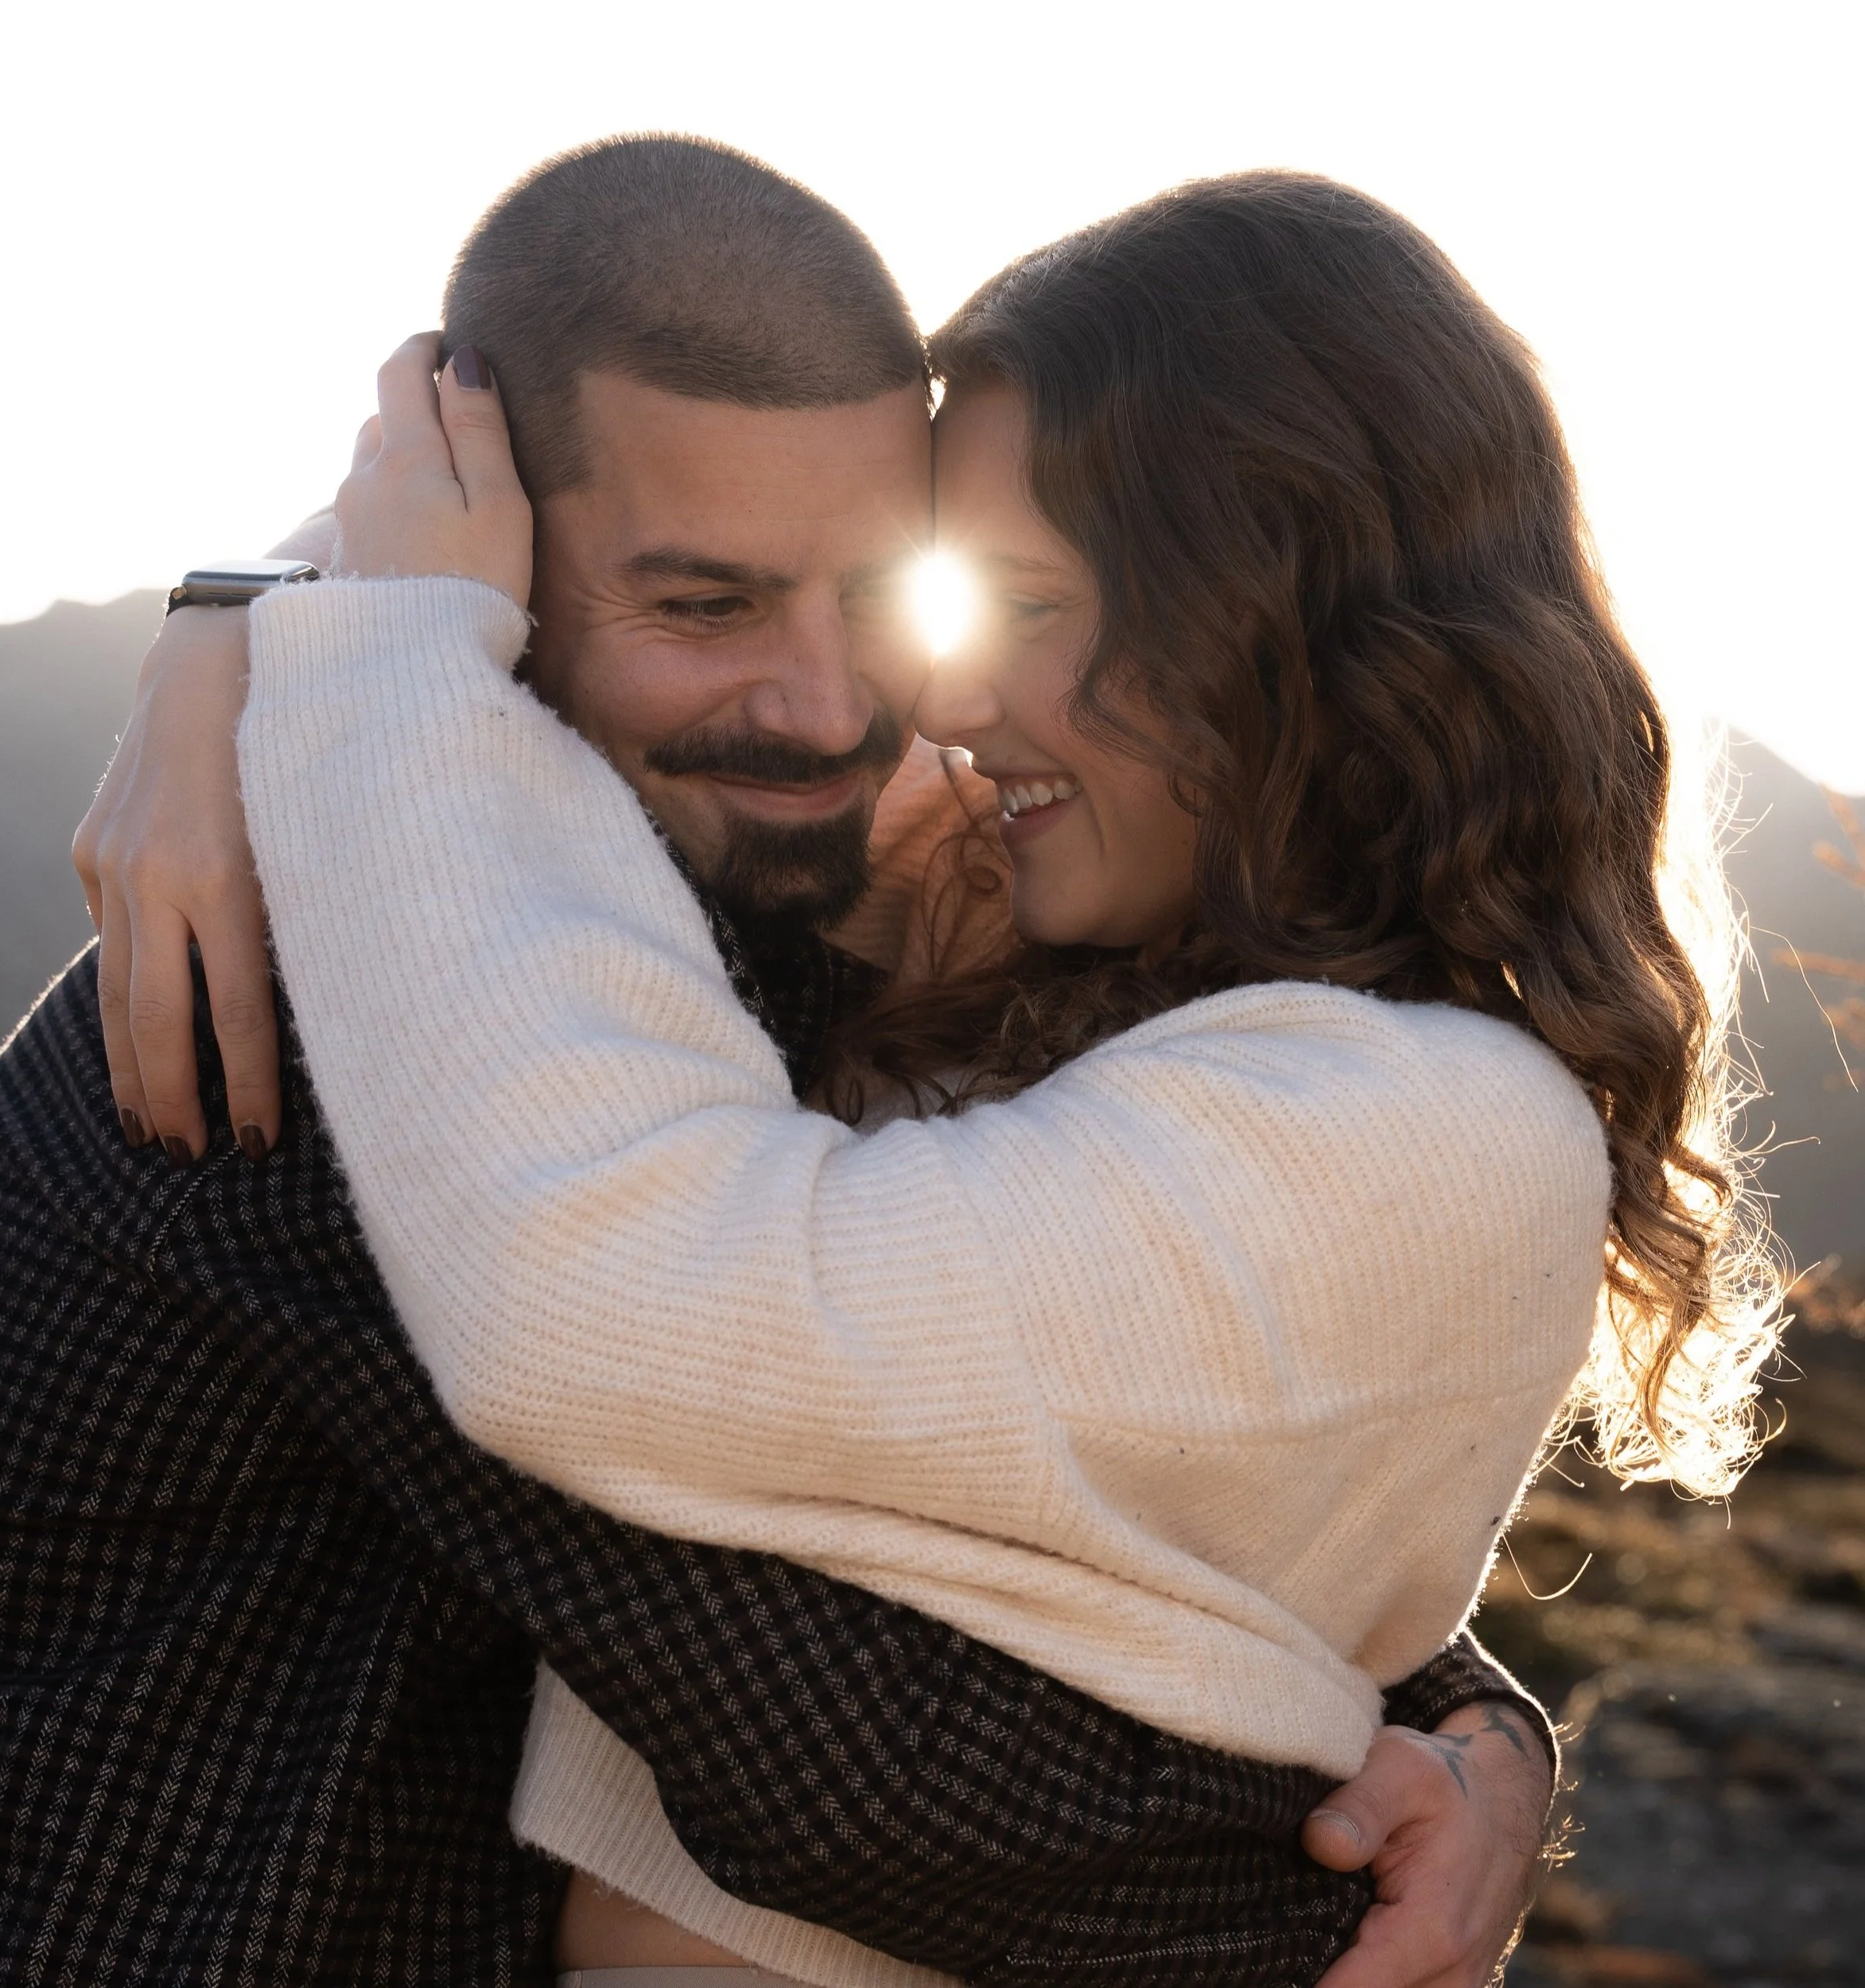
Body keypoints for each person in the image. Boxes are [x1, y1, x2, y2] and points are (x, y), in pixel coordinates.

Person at [0, 141, 1553, 1988]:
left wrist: (1460, 1709)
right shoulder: (341, 1001)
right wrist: (1361, 1857)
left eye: (890, 592)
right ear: (484, 565)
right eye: (700, 607)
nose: (830, 707)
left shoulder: (779, 924)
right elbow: (860, 1765)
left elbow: (998, 1456)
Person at [224, 166, 1778, 1982]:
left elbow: (612, 1300)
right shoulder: (1055, 909)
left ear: (1272, 616)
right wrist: (230, 626)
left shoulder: (1439, 1131)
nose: (943, 703)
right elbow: (609, 672)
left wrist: (381, 651)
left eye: (1027, 605)